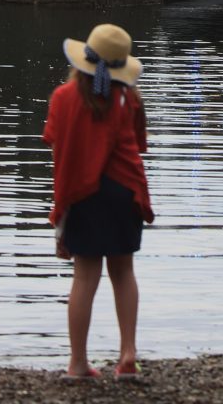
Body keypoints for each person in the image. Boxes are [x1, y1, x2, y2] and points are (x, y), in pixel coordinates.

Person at [42, 24, 154, 381]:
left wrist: (60, 214)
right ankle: (128, 357)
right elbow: (137, 146)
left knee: (84, 277)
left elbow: (59, 151)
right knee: (123, 272)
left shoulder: (63, 97)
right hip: (124, 193)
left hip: (84, 194)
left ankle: (77, 363)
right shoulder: (130, 97)